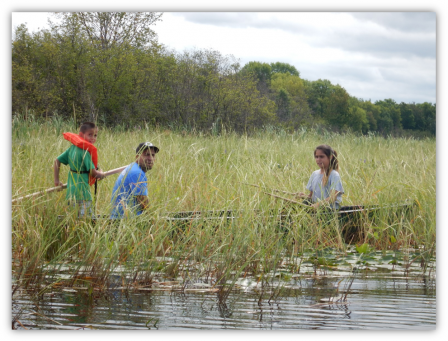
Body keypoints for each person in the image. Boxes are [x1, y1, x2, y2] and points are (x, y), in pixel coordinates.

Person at [54, 122, 106, 217]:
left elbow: (57, 160)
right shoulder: (85, 152)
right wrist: (101, 174)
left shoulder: (72, 148)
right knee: (86, 219)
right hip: (83, 194)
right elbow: (94, 173)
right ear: (81, 135)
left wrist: (56, 180)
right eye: (90, 135)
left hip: (71, 192)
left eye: (95, 135)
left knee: (73, 219)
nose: (93, 138)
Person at [110, 142, 159, 218]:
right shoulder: (136, 173)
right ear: (137, 157)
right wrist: (154, 219)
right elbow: (144, 203)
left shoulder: (133, 167)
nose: (150, 158)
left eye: (153, 155)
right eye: (147, 154)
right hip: (124, 219)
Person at [295, 144, 344, 209]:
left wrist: (318, 204)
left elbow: (333, 197)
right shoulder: (314, 174)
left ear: (330, 157)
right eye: (316, 157)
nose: (318, 159)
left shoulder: (334, 175)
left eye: (321, 157)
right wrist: (303, 196)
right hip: (316, 209)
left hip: (329, 210)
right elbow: (311, 196)